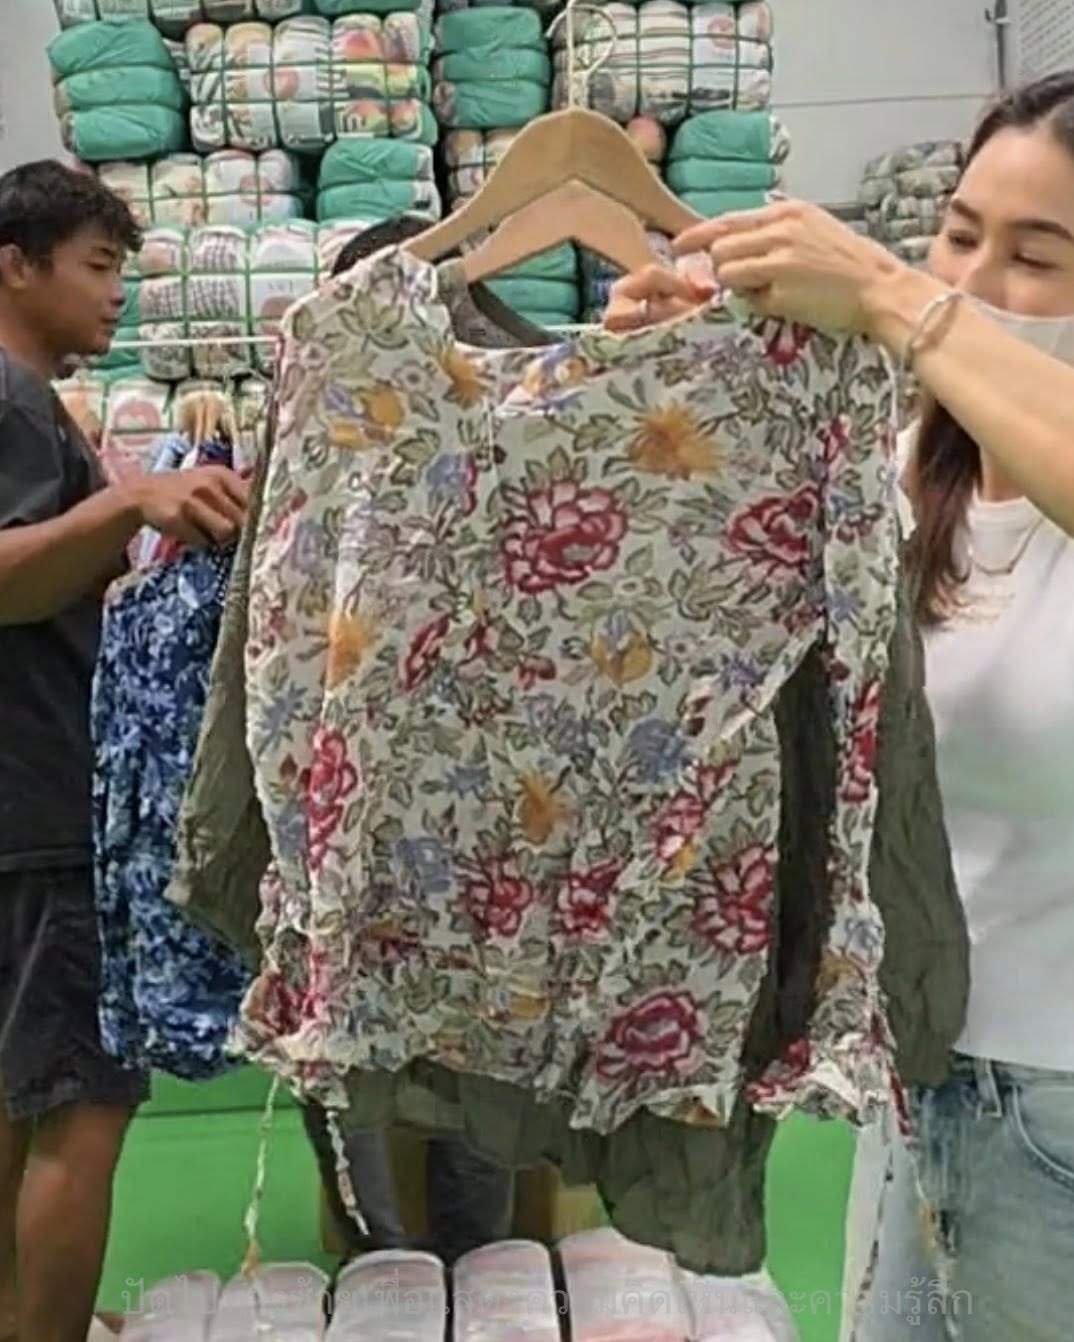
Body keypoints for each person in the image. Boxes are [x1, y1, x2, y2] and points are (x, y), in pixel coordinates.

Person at [604, 71, 1074, 1342]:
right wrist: (680, 384)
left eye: (1037, 257)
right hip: (927, 1072)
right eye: (960, 234)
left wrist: (890, 296)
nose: (978, 279)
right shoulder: (910, 470)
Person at [0, 160, 248, 1342]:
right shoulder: (10, 400)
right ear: (16, 265)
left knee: (20, 1093)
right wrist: (127, 504)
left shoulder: (31, 404)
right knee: (83, 1103)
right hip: (47, 794)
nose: (116, 295)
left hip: (24, 791)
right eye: (98, 266)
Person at [302, 214, 516, 1267]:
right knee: (477, 1040)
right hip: (496, 799)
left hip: (356, 791)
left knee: (355, 1040)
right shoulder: (535, 390)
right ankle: (473, 1271)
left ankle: (393, 1266)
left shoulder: (327, 401)